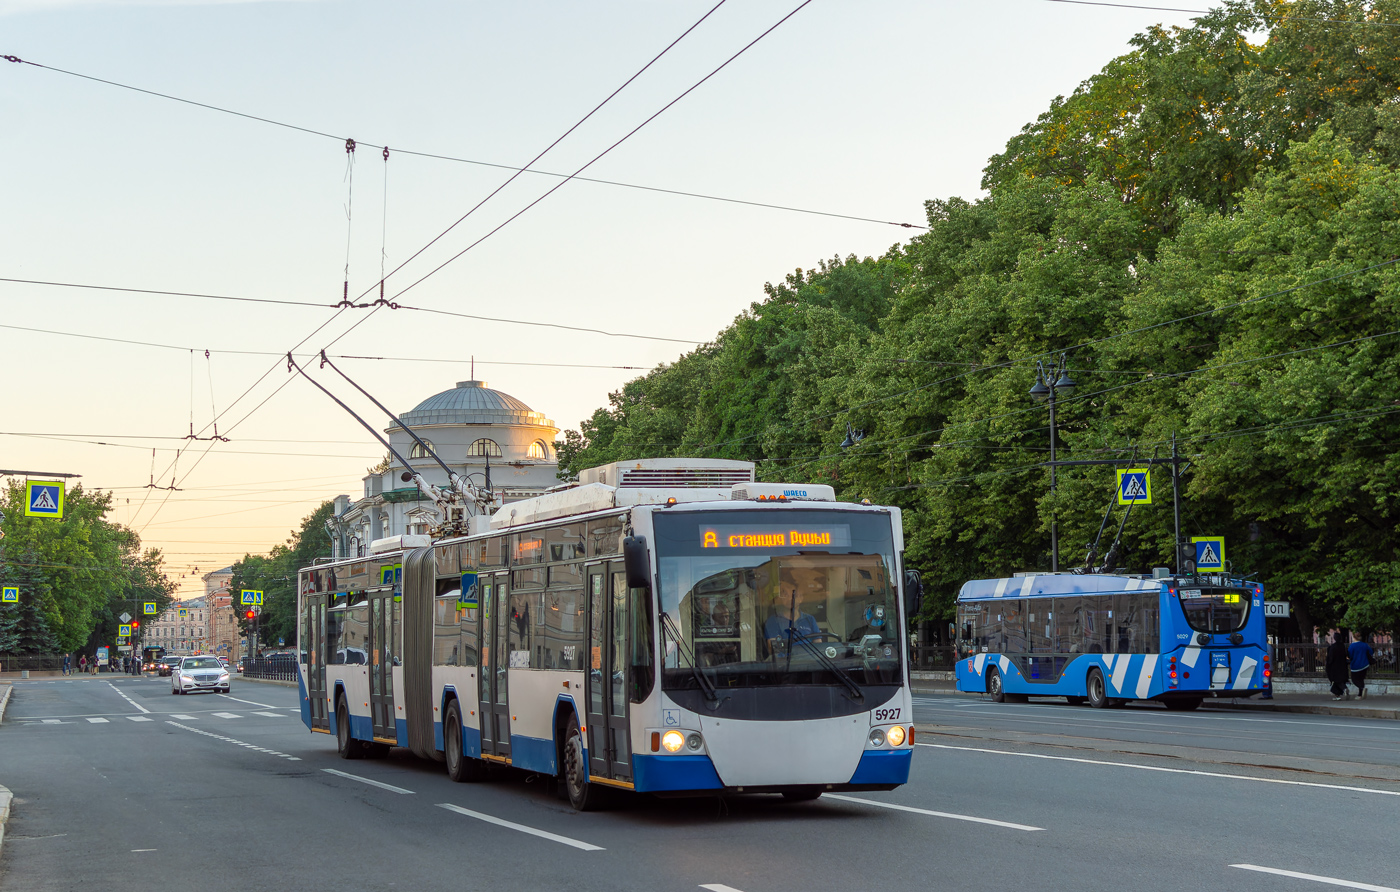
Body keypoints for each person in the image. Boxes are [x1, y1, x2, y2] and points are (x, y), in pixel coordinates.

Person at [764, 586, 820, 653]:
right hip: (785, 662)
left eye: (794, 595)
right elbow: (772, 650)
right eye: (786, 595)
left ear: (801, 598)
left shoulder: (810, 619)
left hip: (808, 661)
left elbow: (818, 645)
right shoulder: (773, 620)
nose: (790, 598)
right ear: (781, 599)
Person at [1349, 632, 1375, 700]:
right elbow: (1371, 652)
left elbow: (1350, 655)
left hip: (1355, 665)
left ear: (1354, 638)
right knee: (1361, 679)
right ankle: (1360, 694)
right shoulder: (1364, 645)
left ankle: (1362, 689)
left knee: (1354, 680)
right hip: (1365, 664)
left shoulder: (1352, 646)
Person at [1325, 631, 1350, 700]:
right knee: (1338, 681)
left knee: (1337, 681)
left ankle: (1344, 688)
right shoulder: (1342, 646)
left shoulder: (1333, 647)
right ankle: (1337, 696)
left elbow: (1330, 658)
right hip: (1342, 666)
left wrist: (1328, 664)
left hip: (1335, 667)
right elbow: (1346, 655)